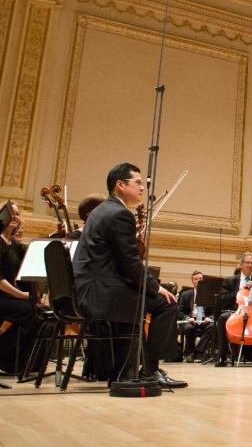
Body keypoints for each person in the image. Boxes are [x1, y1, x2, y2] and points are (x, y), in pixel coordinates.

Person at [72, 162, 186, 388]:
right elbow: (130, 264)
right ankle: (150, 370)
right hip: (102, 295)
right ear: (120, 185)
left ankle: (136, 368)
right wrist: (156, 287)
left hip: (89, 290)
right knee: (166, 303)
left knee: (148, 298)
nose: (143, 188)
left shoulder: (101, 211)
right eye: (138, 183)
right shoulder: (120, 214)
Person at [0, 201, 37, 374]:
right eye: (10, 214)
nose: (15, 217)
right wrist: (21, 295)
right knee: (28, 310)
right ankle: (4, 357)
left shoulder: (14, 244)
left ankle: (28, 361)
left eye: (17, 214)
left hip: (8, 298)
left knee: (38, 310)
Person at [177, 271, 213, 362]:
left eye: (200, 279)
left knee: (212, 327)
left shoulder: (210, 294)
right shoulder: (185, 294)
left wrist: (211, 318)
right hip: (191, 319)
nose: (198, 281)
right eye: (196, 279)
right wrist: (188, 318)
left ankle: (197, 352)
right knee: (188, 328)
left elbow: (215, 311)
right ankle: (191, 352)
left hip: (205, 319)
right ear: (192, 281)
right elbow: (179, 311)